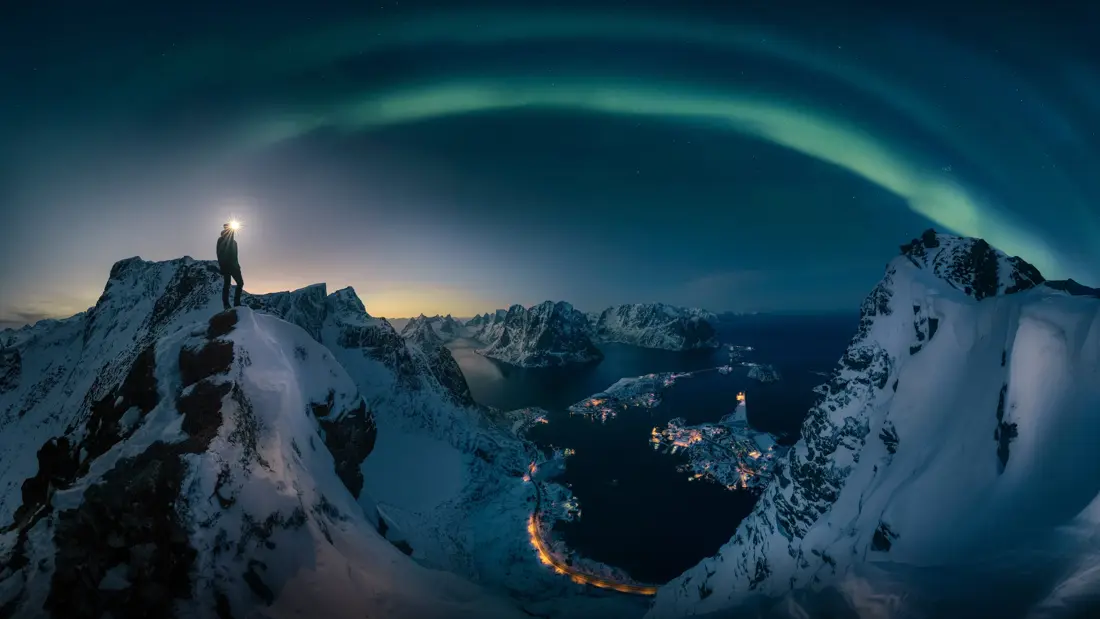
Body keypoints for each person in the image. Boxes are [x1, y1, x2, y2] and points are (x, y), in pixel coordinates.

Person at [216, 223, 244, 310]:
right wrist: (222, 266)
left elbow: (235, 255)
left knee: (240, 283)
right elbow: (219, 253)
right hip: (226, 266)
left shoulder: (234, 242)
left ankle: (236, 303)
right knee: (227, 284)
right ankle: (226, 305)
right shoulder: (221, 240)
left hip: (235, 266)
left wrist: (237, 265)